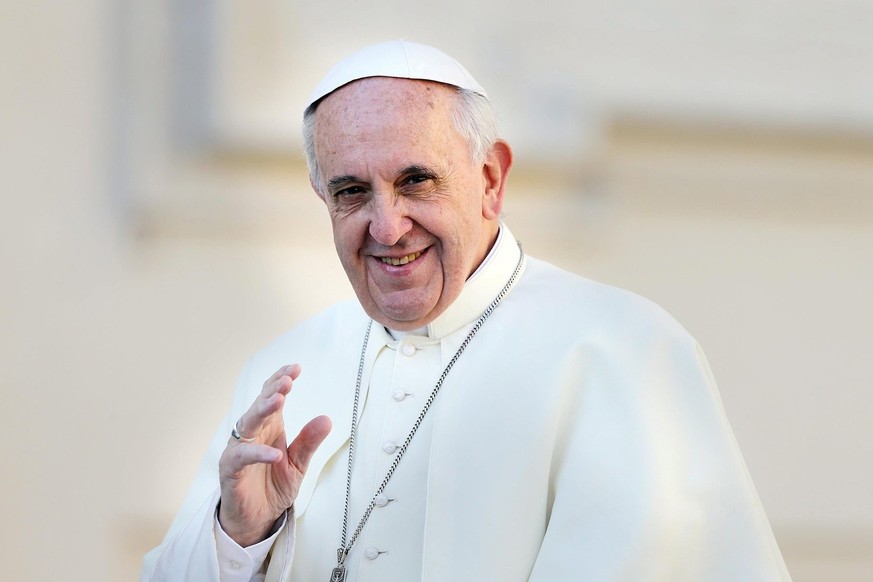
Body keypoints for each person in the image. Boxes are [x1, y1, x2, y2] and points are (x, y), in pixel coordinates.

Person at [142, 40, 791, 581]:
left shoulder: (620, 348)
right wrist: (240, 534)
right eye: (350, 192)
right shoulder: (288, 372)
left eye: (415, 181)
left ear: (490, 180)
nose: (386, 227)